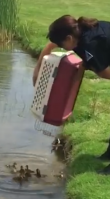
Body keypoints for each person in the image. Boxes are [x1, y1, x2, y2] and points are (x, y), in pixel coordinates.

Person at [32, 14, 110, 174]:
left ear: (68, 38)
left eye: (62, 45)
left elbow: (104, 73)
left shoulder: (90, 44)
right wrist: (37, 72)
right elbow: (49, 46)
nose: (63, 48)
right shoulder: (78, 31)